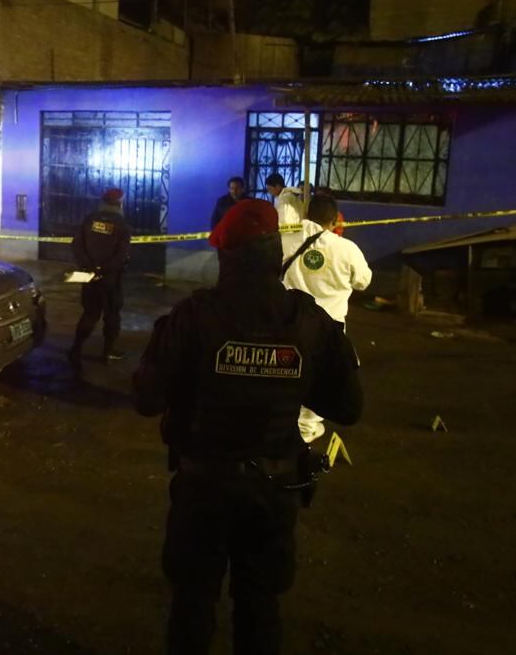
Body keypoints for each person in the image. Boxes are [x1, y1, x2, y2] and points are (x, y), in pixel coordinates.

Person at [134, 199, 363, 655]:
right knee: (259, 605)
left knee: (193, 602)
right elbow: (348, 406)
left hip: (203, 487)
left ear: (225, 256)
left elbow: (146, 399)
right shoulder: (309, 320)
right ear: (276, 253)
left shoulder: (193, 316)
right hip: (274, 490)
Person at [280, 193, 371, 444]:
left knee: (288, 370)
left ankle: (283, 420)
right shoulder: (347, 249)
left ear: (307, 214)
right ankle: (307, 428)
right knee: (321, 375)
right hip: (329, 327)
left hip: (290, 321)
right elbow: (363, 281)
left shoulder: (286, 239)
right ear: (335, 220)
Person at [68, 188, 132, 373]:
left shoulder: (89, 219)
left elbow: (77, 245)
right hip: (111, 280)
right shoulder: (122, 225)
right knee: (112, 316)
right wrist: (103, 270)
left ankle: (76, 349)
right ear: (120, 203)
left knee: (90, 313)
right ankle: (107, 353)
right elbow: (122, 255)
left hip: (89, 277)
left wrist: (89, 267)